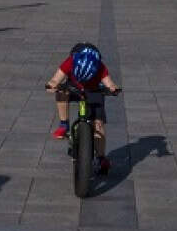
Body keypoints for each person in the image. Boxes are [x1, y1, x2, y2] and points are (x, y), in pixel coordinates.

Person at [46, 42, 121, 175]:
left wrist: (113, 88)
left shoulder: (100, 66)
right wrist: (52, 84)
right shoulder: (70, 61)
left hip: (93, 91)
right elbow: (55, 79)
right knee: (61, 91)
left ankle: (100, 157)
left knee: (98, 124)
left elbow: (109, 83)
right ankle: (64, 124)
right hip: (74, 88)